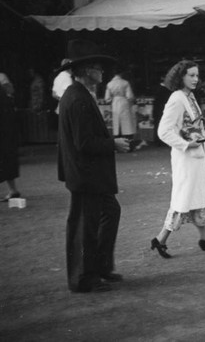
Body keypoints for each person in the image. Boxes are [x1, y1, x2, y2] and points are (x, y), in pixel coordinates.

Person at [57, 39, 130, 293]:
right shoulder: (77, 98)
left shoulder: (78, 95)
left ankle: (99, 268)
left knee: (108, 213)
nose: (102, 71)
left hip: (87, 173)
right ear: (87, 70)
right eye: (98, 67)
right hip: (85, 174)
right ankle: (85, 277)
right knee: (85, 226)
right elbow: (84, 142)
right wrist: (114, 143)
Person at [150, 60, 205, 259]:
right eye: (190, 75)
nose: (195, 79)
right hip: (186, 158)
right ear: (180, 77)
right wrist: (185, 144)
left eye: (197, 75)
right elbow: (163, 131)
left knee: (195, 197)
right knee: (182, 200)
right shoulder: (176, 98)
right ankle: (160, 239)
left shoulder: (188, 96)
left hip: (197, 157)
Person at [0, 72, 21, 202]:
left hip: (4, 131)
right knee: (7, 161)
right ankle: (13, 190)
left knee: (5, 160)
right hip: (6, 131)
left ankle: (13, 190)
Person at [105, 71, 136, 139]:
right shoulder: (125, 82)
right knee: (127, 122)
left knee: (116, 122)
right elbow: (130, 96)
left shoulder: (109, 84)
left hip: (115, 103)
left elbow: (107, 98)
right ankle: (128, 139)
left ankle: (117, 137)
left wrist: (112, 100)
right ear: (121, 74)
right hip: (124, 102)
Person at [152, 73, 173, 146]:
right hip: (160, 110)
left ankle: (162, 141)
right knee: (159, 124)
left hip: (163, 109)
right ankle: (159, 141)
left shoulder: (166, 88)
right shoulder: (162, 88)